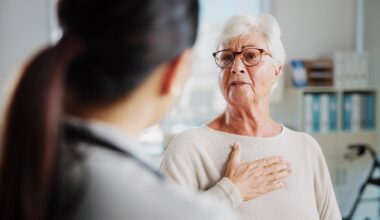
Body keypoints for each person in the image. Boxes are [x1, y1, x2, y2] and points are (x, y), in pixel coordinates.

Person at [0, 0, 239, 220]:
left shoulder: (24, 163)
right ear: (176, 72)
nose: (238, 69)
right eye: (228, 58)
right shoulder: (195, 213)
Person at [160, 14, 342, 220]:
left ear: (276, 70)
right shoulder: (189, 149)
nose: (236, 67)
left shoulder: (307, 148)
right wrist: (231, 191)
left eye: (251, 56)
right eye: (226, 58)